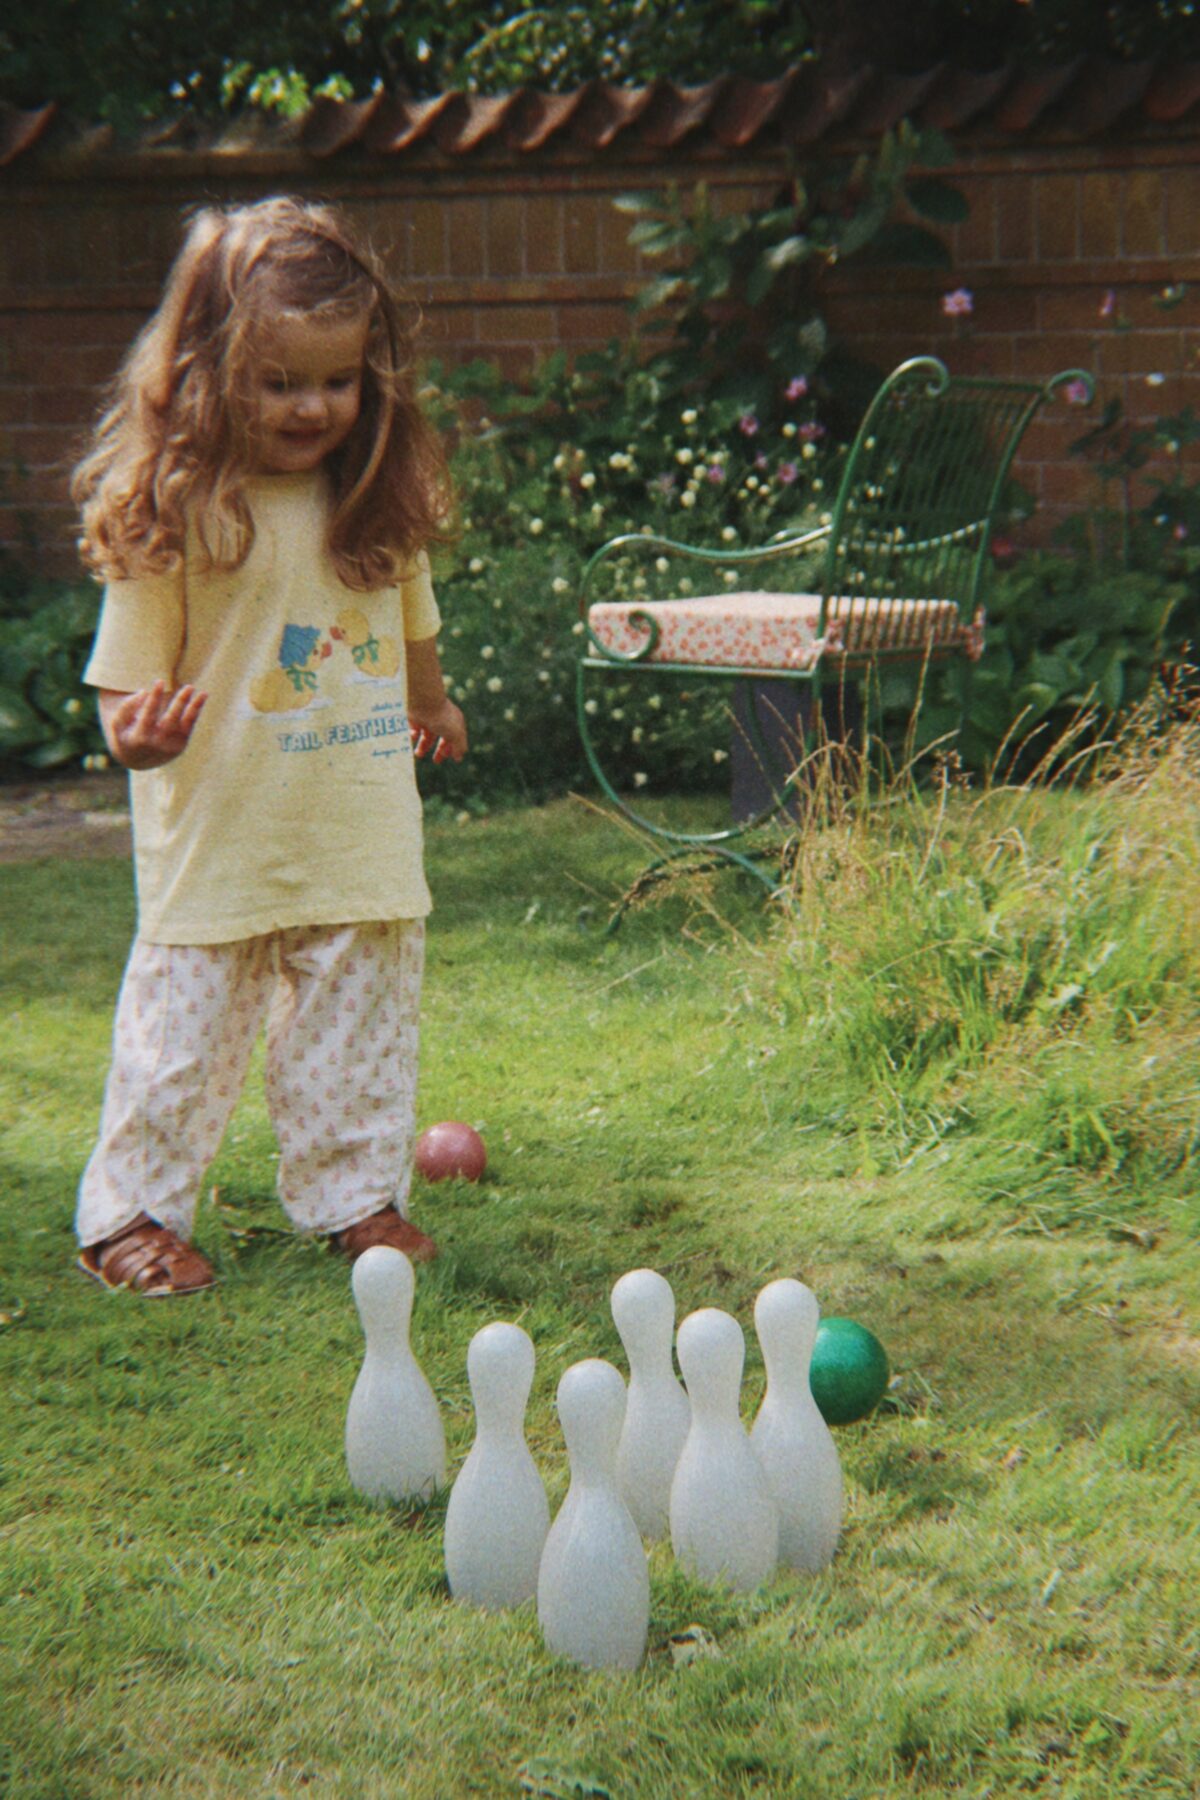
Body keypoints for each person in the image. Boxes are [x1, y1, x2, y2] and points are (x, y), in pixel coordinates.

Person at [70, 195, 467, 1296]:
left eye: (337, 380)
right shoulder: (180, 508)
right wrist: (135, 737)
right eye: (278, 382)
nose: (312, 407)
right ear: (204, 371)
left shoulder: (370, 498)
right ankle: (133, 1216)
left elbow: (409, 613)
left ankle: (354, 1200)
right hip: (222, 832)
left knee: (356, 1024)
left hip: (356, 822)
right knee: (181, 1040)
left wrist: (431, 703)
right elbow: (125, 684)